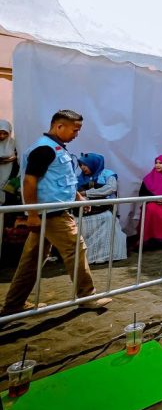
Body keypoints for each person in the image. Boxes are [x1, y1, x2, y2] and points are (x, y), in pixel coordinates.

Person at [1, 110, 112, 315]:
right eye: (75, 130)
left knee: (32, 260)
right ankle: (87, 296)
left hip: (51, 211)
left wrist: (78, 199)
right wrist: (32, 214)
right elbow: (29, 182)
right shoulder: (45, 149)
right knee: (76, 250)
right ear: (59, 126)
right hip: (53, 213)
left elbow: (64, 179)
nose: (77, 134)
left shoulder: (56, 148)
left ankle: (13, 304)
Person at [76, 153, 127, 264]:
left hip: (105, 208)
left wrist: (86, 193)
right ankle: (86, 257)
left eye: (85, 165)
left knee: (108, 219)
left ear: (93, 163)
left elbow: (110, 188)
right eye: (81, 165)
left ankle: (107, 255)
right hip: (86, 209)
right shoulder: (80, 178)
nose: (83, 168)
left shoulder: (108, 174)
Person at [0, 119, 18, 205]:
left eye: (5, 133)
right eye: (0, 133)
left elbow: (18, 157)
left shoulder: (14, 143)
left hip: (10, 173)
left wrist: (11, 160)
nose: (2, 136)